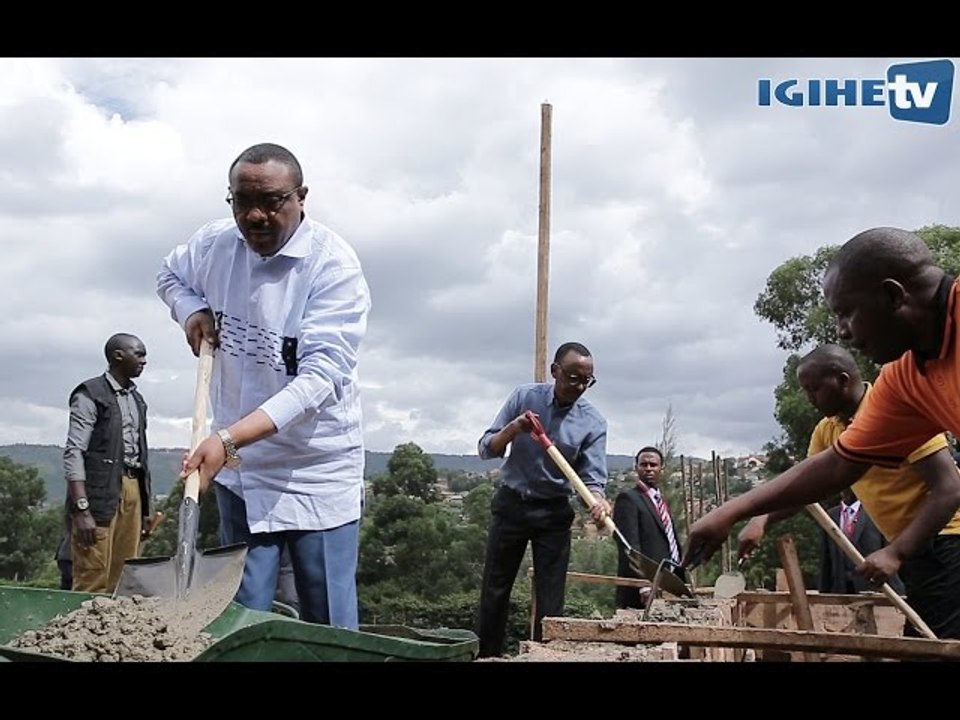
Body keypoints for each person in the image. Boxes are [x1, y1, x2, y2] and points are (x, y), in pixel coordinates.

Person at [688, 227, 960, 638]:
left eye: (847, 312)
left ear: (892, 296)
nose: (841, 331)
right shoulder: (904, 382)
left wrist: (897, 550)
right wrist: (734, 512)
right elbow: (837, 467)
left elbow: (949, 487)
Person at [157, 142, 371, 629]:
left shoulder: (332, 267)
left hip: (314, 466)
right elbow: (168, 273)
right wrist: (190, 309)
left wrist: (228, 437)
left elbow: (318, 380)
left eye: (272, 201)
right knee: (243, 607)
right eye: (240, 201)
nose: (255, 216)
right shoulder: (214, 245)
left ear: (301, 197)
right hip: (242, 468)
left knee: (327, 615)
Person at [475, 341, 611, 657]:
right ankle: (487, 655)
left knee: (551, 598)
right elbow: (486, 449)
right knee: (495, 589)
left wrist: (598, 500)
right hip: (512, 504)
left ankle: (543, 655)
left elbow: (591, 479)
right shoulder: (525, 397)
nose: (579, 386)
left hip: (553, 513)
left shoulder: (593, 422)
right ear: (555, 371)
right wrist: (516, 428)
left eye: (586, 380)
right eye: (573, 377)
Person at [63, 333, 152, 593]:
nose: (144, 361)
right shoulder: (90, 394)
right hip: (99, 493)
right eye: (140, 354)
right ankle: (83, 631)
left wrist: (146, 509)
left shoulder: (137, 400)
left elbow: (142, 455)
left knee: (125, 574)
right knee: (92, 574)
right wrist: (81, 509)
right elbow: (74, 451)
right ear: (118, 355)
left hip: (132, 489)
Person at [612, 446, 686, 608]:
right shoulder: (628, 499)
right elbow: (629, 546)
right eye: (643, 465)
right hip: (642, 592)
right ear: (636, 468)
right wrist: (643, 585)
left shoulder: (660, 501)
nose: (648, 469)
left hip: (669, 584)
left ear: (661, 469)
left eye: (653, 465)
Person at [819, 487, 905, 595]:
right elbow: (826, 560)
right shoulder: (830, 516)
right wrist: (824, 593)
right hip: (839, 590)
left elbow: (890, 551)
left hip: (872, 588)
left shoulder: (875, 513)